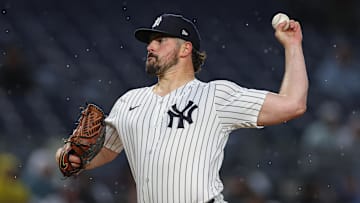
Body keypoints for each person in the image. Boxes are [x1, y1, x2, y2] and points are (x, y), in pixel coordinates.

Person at [56, 13, 308, 203]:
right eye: (150, 41)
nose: (150, 46)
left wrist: (292, 46)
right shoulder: (129, 101)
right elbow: (99, 154)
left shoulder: (215, 95)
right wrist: (69, 156)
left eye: (160, 40)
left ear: (186, 48)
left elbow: (293, 104)